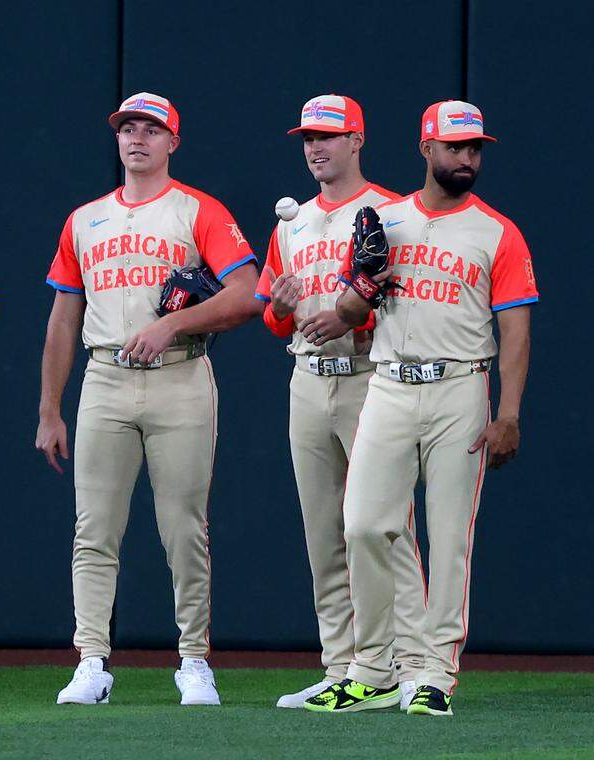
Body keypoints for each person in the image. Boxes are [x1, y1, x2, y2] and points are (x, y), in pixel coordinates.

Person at [307, 100, 537, 716]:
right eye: (455, 147)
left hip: (460, 385)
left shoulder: (497, 232)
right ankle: (373, 669)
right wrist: (363, 284)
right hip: (387, 383)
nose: (466, 158)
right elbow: (353, 315)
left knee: (448, 535)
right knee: (363, 524)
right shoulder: (384, 219)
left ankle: (433, 670)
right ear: (425, 149)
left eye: (474, 148)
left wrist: (508, 413)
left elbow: (515, 327)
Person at [36, 93, 261, 706]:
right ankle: (90, 661)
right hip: (104, 376)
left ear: (172, 142)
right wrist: (49, 409)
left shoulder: (198, 211)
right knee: (93, 530)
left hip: (180, 376)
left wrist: (172, 325)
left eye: (151, 129)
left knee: (183, 527)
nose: (137, 138)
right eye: (128, 127)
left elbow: (248, 293)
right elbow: (63, 317)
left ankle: (193, 660)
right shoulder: (84, 219)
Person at [255, 94, 426, 710]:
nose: (315, 147)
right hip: (307, 378)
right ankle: (343, 665)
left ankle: (412, 666)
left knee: (383, 527)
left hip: (369, 378)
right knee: (323, 531)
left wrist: (352, 318)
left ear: (357, 139)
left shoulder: (390, 210)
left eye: (328, 135)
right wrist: (278, 303)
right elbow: (276, 318)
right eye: (307, 137)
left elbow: (406, 303)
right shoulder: (291, 221)